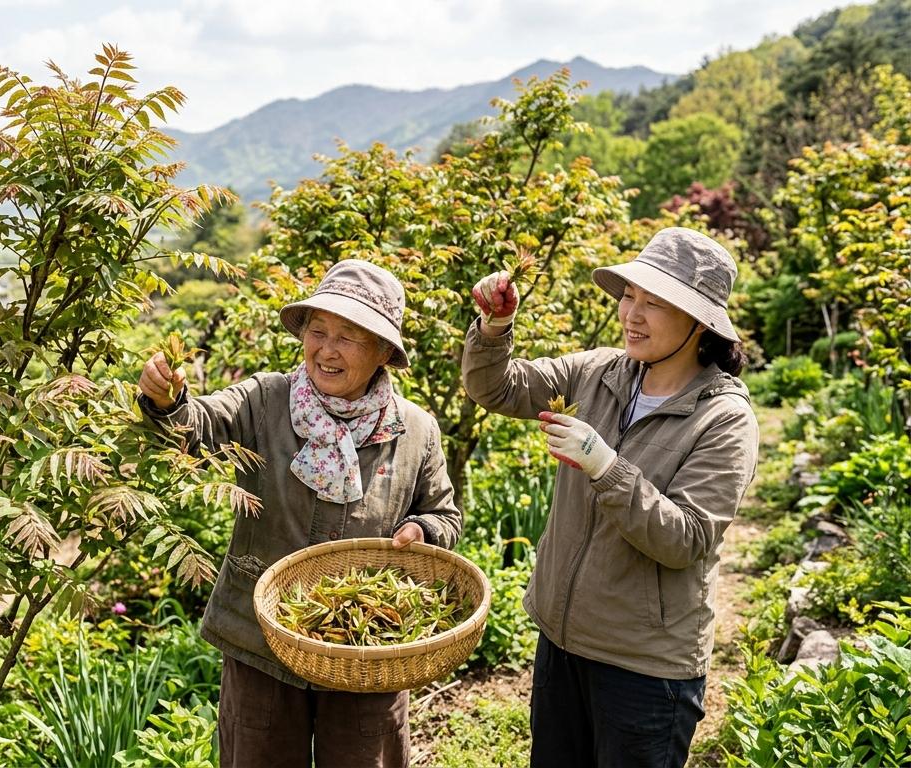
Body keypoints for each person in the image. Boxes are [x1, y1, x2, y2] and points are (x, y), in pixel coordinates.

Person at [138, 259, 461, 768]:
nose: (326, 350)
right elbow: (196, 425)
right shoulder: (267, 400)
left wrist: (423, 530)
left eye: (349, 337)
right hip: (262, 642)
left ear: (383, 353)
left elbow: (443, 514)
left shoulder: (416, 430)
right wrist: (167, 400)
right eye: (318, 330)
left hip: (368, 648)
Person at [461, 227, 759, 768]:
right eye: (629, 296)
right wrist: (495, 327)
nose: (632, 315)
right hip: (563, 639)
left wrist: (604, 465)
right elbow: (498, 388)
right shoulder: (601, 371)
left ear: (699, 322)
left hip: (645, 668)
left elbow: (685, 540)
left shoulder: (724, 419)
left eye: (655, 303)